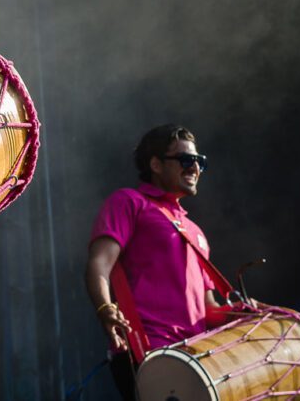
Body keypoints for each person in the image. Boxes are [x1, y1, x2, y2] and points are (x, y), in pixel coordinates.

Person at [85, 124, 225, 399]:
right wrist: (104, 308)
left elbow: (209, 309)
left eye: (200, 162)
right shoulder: (130, 202)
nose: (195, 168)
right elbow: (99, 263)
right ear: (156, 164)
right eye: (186, 160)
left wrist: (247, 314)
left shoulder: (195, 232)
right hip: (148, 352)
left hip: (195, 360)